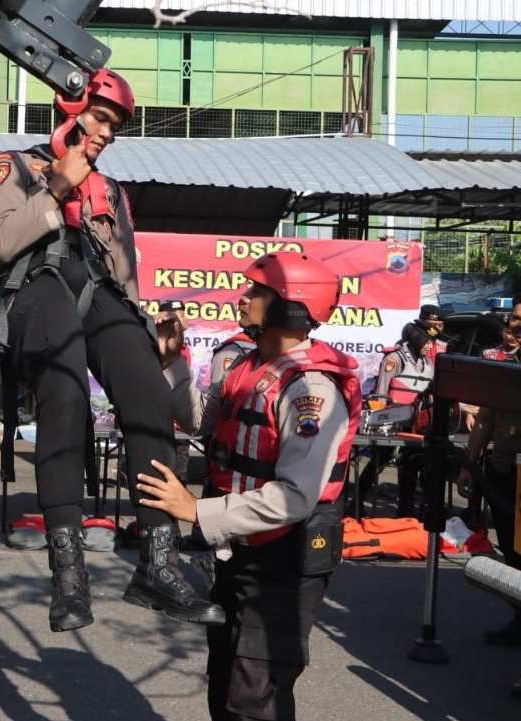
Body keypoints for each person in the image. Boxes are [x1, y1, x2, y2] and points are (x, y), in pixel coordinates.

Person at [0, 67, 221, 628]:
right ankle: (69, 578)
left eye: (115, 126)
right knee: (64, 393)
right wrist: (59, 185)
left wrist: (150, 336)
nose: (108, 133)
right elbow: (2, 243)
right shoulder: (15, 166)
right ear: (72, 107)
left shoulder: (113, 192)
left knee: (148, 393)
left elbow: (127, 274)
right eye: (102, 119)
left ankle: (158, 563)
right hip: (36, 285)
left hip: (99, 292)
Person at [139, 252, 361, 721]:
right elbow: (199, 419)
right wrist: (175, 360)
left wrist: (197, 512)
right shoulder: (246, 365)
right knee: (225, 681)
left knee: (254, 697)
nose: (243, 298)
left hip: (285, 561)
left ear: (291, 306)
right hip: (240, 550)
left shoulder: (311, 391)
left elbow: (295, 497)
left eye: (257, 292)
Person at [457, 306, 521, 647]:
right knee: (511, 553)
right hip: (504, 470)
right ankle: (518, 617)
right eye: (513, 319)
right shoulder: (504, 366)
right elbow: (484, 419)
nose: (513, 326)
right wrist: (469, 464)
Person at [354, 307, 443, 516]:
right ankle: (356, 503)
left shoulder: (427, 364)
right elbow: (380, 394)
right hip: (390, 422)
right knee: (376, 464)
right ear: (416, 340)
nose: (429, 345)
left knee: (411, 467)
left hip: (417, 425)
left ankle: (405, 512)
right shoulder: (394, 359)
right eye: (426, 341)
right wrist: (379, 420)